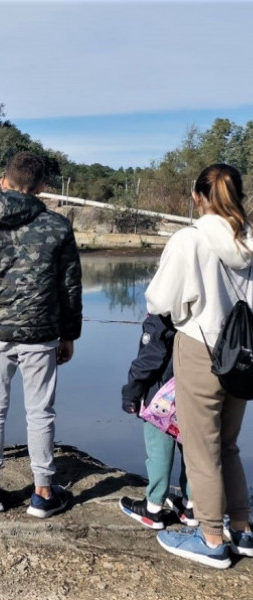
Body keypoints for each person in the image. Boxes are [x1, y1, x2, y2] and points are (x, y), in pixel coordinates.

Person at [0, 151, 82, 518]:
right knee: (40, 412)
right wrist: (69, 333)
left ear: (4, 182)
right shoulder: (58, 227)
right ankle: (43, 492)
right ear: (42, 187)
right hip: (42, 332)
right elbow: (70, 286)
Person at [145, 163, 253, 569]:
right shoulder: (249, 240)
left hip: (200, 348)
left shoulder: (189, 240)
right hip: (243, 356)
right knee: (228, 444)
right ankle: (241, 530)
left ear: (197, 197)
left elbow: (159, 301)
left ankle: (210, 539)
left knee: (201, 448)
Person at [119, 314, 196, 529]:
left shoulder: (162, 315)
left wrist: (131, 393)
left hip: (161, 398)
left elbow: (149, 359)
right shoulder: (202, 311)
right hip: (196, 392)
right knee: (191, 450)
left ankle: (153, 507)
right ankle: (191, 506)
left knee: (159, 451)